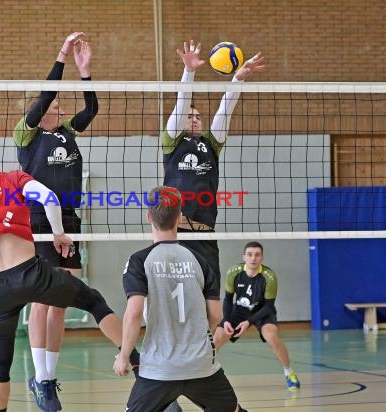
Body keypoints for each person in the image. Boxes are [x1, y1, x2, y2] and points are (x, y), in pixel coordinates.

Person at [0, 143, 132, 412]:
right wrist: (58, 233)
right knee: (93, 301)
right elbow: (49, 198)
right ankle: (137, 363)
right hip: (31, 274)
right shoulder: (11, 178)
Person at [12, 32, 97, 408]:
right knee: (43, 301)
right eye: (55, 106)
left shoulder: (68, 131)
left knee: (62, 300)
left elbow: (91, 109)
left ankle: (48, 377)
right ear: (39, 110)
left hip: (70, 220)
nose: (59, 110)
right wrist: (63, 54)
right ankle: (42, 379)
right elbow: (46, 94)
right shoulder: (26, 134)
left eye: (61, 107)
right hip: (39, 222)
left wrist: (85, 73)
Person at [114, 186, 246, 412]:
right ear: (180, 217)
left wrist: (124, 356)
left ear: (148, 216)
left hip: (159, 368)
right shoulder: (200, 260)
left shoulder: (139, 261)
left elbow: (134, 313)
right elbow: (215, 314)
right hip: (201, 365)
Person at [161, 40, 265, 287]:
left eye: (198, 117)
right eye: (190, 116)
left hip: (206, 232)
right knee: (177, 295)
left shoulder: (211, 143)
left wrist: (238, 79)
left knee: (211, 298)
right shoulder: (172, 141)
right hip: (176, 232)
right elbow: (182, 101)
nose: (195, 119)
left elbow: (225, 109)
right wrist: (189, 71)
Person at [213, 241, 301, 391]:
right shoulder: (234, 272)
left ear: (262, 258)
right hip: (239, 309)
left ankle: (289, 373)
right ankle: (206, 376)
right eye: (249, 254)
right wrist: (227, 320)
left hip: (262, 311)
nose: (253, 258)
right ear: (244, 257)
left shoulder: (269, 276)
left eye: (257, 255)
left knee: (271, 337)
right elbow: (228, 299)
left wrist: (249, 322)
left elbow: (269, 305)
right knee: (216, 339)